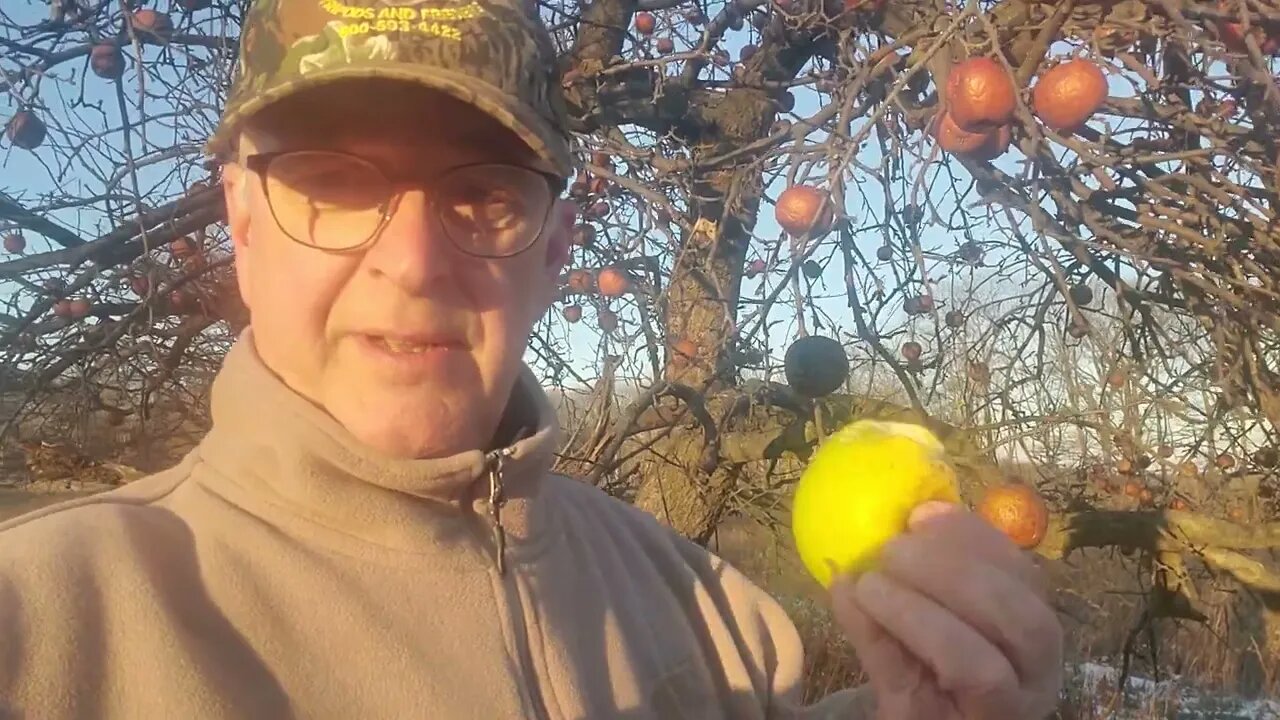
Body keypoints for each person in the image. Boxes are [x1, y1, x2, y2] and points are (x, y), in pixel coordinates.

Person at [0, 0, 1064, 717]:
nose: (413, 263)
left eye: (483, 194)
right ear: (240, 215)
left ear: (555, 246)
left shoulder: (708, 612)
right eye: (333, 183)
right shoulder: (52, 626)